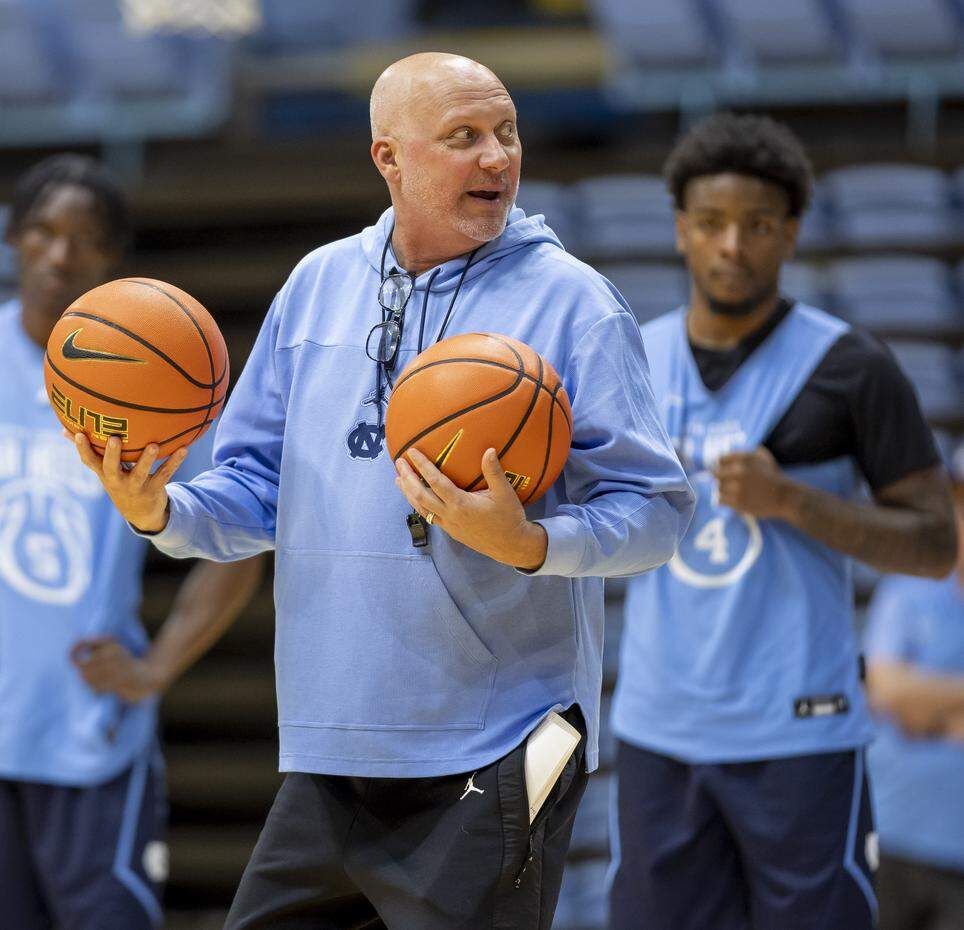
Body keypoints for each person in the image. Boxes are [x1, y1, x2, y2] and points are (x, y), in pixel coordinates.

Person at [69, 52, 694, 929]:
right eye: (463, 137)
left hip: (503, 743)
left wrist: (533, 544)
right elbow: (255, 485)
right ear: (388, 158)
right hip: (334, 746)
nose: (497, 157)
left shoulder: (575, 304)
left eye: (506, 132)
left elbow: (657, 512)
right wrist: (161, 512)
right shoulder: (317, 285)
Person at [0, 154, 264, 930]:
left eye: (88, 240)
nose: (61, 255)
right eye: (43, 231)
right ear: (12, 238)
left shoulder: (162, 384)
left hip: (95, 744)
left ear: (115, 260)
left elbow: (240, 537)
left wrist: (159, 665)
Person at [607, 113, 958, 930]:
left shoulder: (853, 369)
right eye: (712, 224)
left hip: (800, 733)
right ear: (681, 231)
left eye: (758, 225)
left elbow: (937, 546)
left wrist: (793, 500)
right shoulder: (629, 361)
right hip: (662, 729)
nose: (733, 245)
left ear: (792, 234)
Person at [864, 439, 964, 930]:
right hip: (895, 837)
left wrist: (927, 702)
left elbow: (906, 697)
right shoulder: (910, 590)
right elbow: (886, 690)